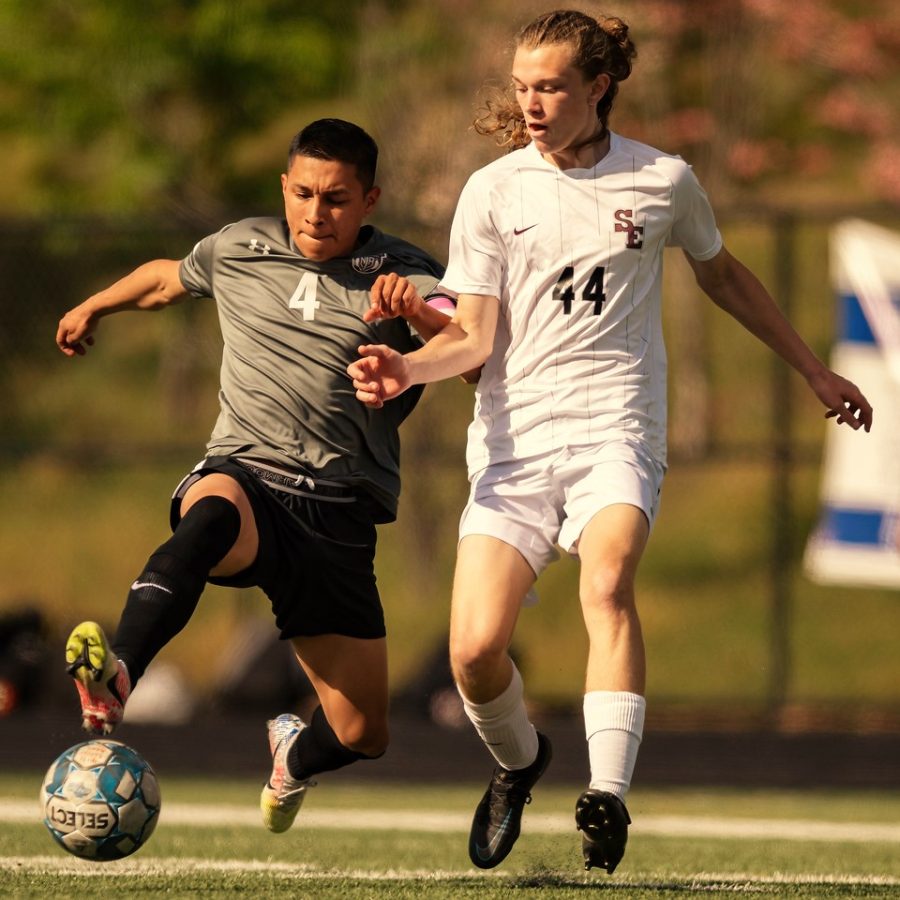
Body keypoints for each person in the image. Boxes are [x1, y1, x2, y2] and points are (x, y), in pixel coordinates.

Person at [348, 9, 873, 875]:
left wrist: (814, 371)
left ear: (598, 86)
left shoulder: (664, 180)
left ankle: (608, 796)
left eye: (550, 87)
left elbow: (725, 275)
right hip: (514, 443)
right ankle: (521, 764)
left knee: (608, 581)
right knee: (474, 652)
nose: (533, 103)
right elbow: (474, 338)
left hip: (616, 430)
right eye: (522, 88)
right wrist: (407, 372)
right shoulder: (492, 190)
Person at [56, 117, 454, 834]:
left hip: (338, 511)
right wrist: (94, 306)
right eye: (303, 193)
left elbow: (465, 338)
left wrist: (417, 314)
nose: (316, 212)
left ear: (370, 199)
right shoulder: (239, 246)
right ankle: (121, 674)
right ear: (284, 186)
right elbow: (163, 279)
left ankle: (292, 761)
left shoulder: (402, 270)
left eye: (336, 198)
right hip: (250, 474)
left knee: (365, 732)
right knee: (210, 517)